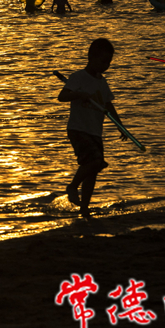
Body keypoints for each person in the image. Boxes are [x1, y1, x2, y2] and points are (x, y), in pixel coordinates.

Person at [57, 39, 128, 219]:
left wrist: (120, 126)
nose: (106, 66)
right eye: (103, 61)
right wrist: (79, 94)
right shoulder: (78, 77)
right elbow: (62, 96)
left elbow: (108, 106)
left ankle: (84, 209)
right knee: (95, 162)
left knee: (92, 170)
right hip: (78, 129)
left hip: (95, 131)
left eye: (109, 62)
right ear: (91, 57)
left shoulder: (102, 83)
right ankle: (72, 187)